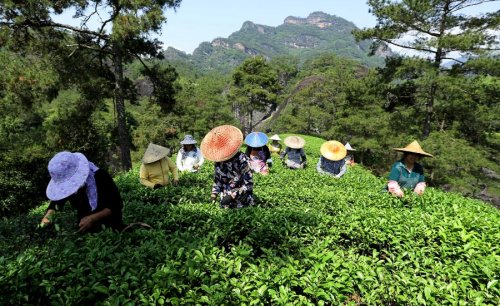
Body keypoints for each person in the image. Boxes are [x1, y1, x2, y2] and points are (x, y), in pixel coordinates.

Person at [40, 151, 124, 233]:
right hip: (84, 229)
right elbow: (57, 202)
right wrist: (48, 216)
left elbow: (115, 205)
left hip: (111, 229)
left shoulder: (101, 176)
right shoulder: (67, 187)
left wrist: (92, 218)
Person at [201, 125, 254, 208]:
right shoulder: (219, 161)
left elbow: (249, 184)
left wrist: (232, 196)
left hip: (242, 202)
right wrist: (213, 195)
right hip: (225, 202)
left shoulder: (242, 160)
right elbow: (217, 180)